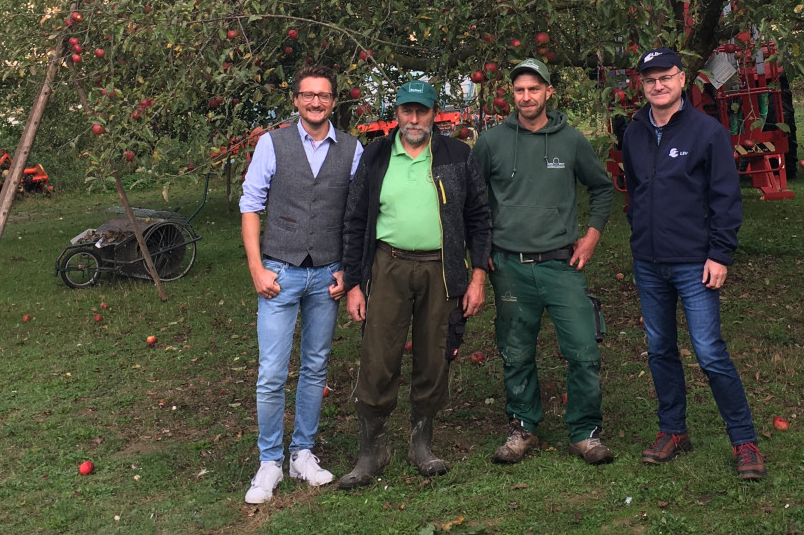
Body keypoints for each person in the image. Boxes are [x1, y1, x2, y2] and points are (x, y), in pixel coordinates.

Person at [620, 47, 765, 479]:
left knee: (709, 352)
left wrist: (720, 254)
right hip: (649, 262)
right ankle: (673, 430)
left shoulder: (707, 132)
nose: (657, 85)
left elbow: (726, 198)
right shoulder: (634, 133)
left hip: (694, 263)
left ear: (683, 80)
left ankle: (744, 441)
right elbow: (634, 189)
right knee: (660, 349)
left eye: (665, 77)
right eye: (650, 80)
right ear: (642, 86)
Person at [339, 80, 492, 488]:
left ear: (434, 113)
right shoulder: (375, 156)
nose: (413, 118)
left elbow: (480, 217)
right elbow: (355, 220)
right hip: (388, 265)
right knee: (378, 356)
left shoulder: (456, 156)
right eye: (406, 110)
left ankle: (421, 442)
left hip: (440, 269)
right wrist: (354, 283)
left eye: (421, 111)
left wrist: (478, 275)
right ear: (397, 114)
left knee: (434, 352)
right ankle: (372, 449)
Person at [473, 58, 615, 465]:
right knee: (516, 352)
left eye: (534, 88)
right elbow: (474, 201)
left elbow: (602, 189)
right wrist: (480, 252)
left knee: (584, 349)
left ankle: (584, 432)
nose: (527, 96)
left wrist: (591, 237)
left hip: (561, 264)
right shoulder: (491, 142)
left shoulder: (571, 140)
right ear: (511, 95)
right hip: (510, 266)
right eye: (519, 90)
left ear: (549, 92)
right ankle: (523, 427)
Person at [238, 64, 363, 501]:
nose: (315, 102)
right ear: (296, 100)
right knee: (271, 372)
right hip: (281, 271)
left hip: (327, 274)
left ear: (334, 100)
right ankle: (270, 460)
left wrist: (349, 270)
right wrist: (256, 266)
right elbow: (251, 205)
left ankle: (303, 453)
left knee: (315, 367)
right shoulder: (271, 145)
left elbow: (356, 216)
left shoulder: (352, 148)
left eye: (323, 95)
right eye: (307, 95)